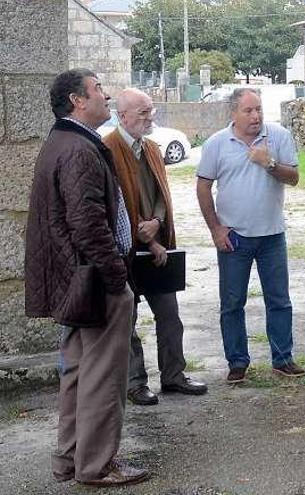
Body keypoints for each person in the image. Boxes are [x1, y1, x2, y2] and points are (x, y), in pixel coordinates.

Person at [25, 69, 149, 486]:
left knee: (79, 372)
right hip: (93, 280)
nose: (106, 95)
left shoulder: (65, 141)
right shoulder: (77, 148)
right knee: (102, 378)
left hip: (77, 279)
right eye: (98, 90)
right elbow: (87, 224)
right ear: (78, 100)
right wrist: (117, 277)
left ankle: (71, 459)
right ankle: (97, 465)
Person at [103, 88, 207, 405]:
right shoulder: (107, 149)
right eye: (143, 112)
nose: (151, 117)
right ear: (122, 116)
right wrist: (144, 235)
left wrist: (158, 225)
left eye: (151, 111)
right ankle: (135, 383)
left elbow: (162, 195)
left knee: (170, 316)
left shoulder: (150, 147)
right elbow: (112, 203)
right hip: (125, 251)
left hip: (157, 246)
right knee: (128, 321)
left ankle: (173, 376)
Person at [196, 88, 305, 383]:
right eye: (249, 111)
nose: (256, 116)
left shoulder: (278, 136)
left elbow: (294, 178)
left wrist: (268, 162)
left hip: (272, 235)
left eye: (259, 109)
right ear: (233, 113)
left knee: (279, 299)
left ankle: (283, 359)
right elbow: (203, 187)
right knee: (232, 303)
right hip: (235, 238)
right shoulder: (217, 143)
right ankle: (237, 362)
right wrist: (216, 229)